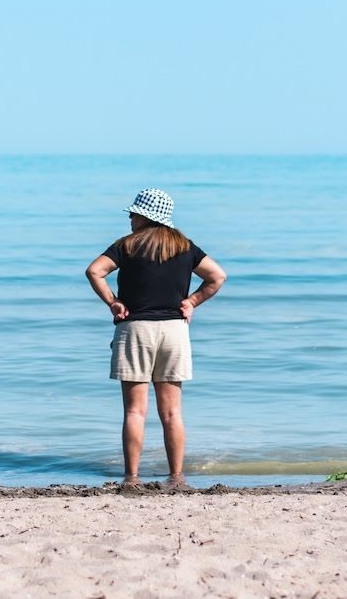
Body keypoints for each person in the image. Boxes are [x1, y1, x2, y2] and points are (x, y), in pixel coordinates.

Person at [85, 188, 226, 485]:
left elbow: (94, 271)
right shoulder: (185, 246)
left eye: (133, 214)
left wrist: (113, 301)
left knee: (135, 411)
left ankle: (132, 477)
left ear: (145, 216)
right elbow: (217, 276)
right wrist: (192, 301)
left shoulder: (127, 246)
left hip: (135, 329)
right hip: (174, 330)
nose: (130, 219)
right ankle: (176, 476)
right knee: (173, 412)